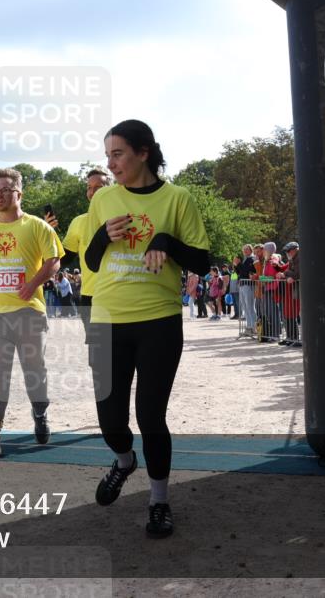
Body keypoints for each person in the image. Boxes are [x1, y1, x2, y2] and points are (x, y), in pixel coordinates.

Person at [84, 119, 210, 539]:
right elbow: (90, 260)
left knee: (151, 415)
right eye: (108, 155)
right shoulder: (102, 199)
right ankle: (123, 462)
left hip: (158, 318)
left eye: (118, 153)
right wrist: (102, 235)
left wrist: (166, 242)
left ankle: (159, 501)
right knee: (110, 420)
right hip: (107, 318)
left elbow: (203, 263)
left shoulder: (178, 198)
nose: (111, 162)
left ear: (143, 152)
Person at [0, 168, 63, 456]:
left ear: (19, 194)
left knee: (35, 370)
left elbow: (54, 261)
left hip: (30, 311)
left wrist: (33, 283)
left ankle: (40, 412)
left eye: (6, 190)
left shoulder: (37, 227)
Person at [62, 168, 112, 339]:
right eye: (89, 188)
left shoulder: (123, 217)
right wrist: (48, 232)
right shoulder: (78, 222)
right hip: (90, 297)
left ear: (111, 189)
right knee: (98, 360)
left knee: (123, 358)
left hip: (120, 295)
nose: (92, 192)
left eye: (98, 187)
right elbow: (64, 258)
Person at [280, 242, 301, 347]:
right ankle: (292, 337)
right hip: (295, 289)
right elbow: (290, 271)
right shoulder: (293, 259)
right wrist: (286, 274)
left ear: (295, 249)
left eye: (289, 250)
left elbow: (297, 274)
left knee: (297, 314)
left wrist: (286, 274)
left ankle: (296, 338)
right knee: (291, 313)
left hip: (301, 289)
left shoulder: (299, 258)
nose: (287, 253)